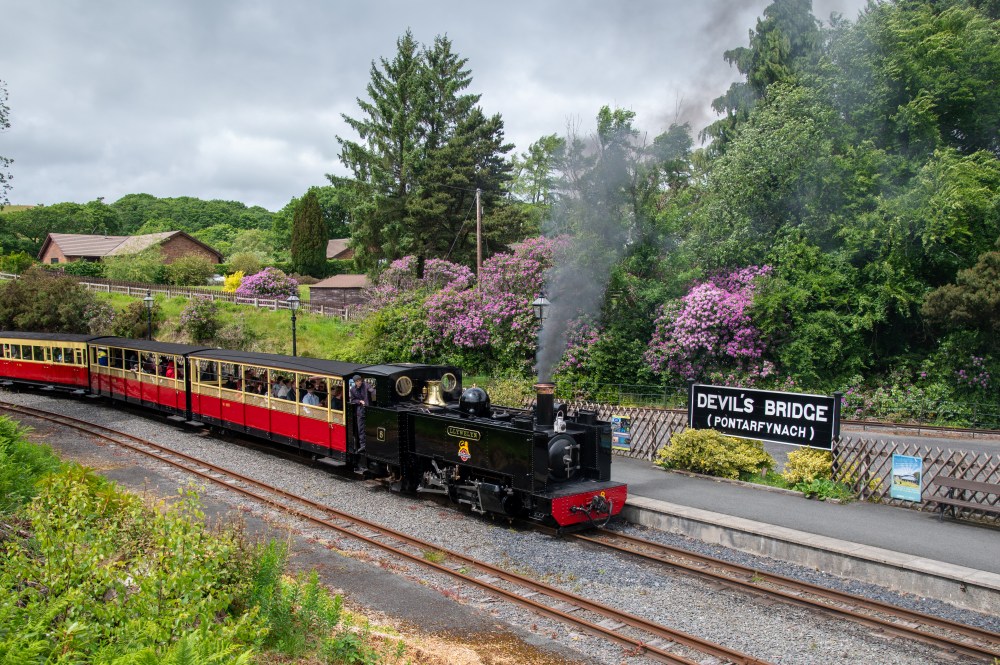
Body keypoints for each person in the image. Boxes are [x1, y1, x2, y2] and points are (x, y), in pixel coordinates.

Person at [349, 374, 373, 452]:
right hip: (360, 411)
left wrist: (372, 390)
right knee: (361, 428)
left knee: (370, 427)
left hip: (368, 410)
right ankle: (363, 445)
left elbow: (371, 390)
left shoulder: (366, 385)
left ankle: (370, 443)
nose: (359, 382)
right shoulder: (352, 389)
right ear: (355, 382)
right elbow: (352, 400)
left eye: (360, 380)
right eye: (357, 381)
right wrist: (359, 401)